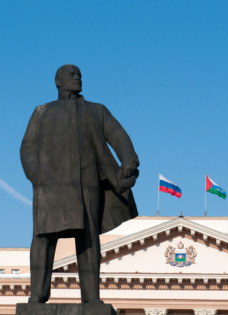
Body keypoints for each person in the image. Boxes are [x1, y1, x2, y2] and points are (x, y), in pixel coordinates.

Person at [20, 64, 139, 304]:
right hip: (50, 187)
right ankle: (38, 294)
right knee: (43, 237)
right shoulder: (42, 111)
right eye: (72, 76)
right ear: (58, 81)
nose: (78, 79)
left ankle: (91, 298)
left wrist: (129, 159)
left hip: (87, 183)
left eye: (79, 76)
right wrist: (36, 176)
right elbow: (27, 148)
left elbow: (118, 135)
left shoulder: (96, 111)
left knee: (88, 238)